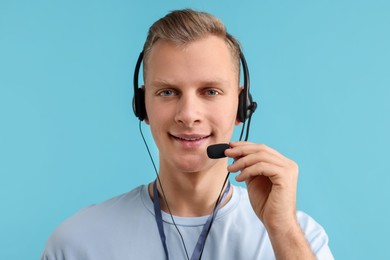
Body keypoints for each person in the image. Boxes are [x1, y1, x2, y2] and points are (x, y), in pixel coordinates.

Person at [41, 9, 333, 260]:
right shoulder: (77, 243)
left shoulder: (299, 238)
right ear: (143, 105)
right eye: (168, 92)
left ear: (240, 106)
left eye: (210, 91)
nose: (188, 114)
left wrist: (282, 231)